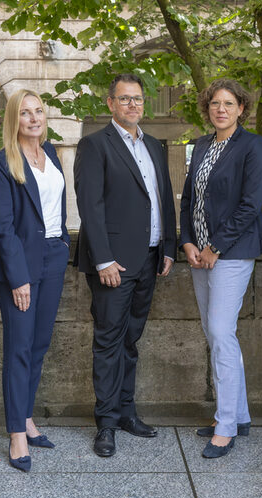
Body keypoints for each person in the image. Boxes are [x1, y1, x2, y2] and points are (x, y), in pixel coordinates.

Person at [74, 73, 176, 457]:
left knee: (131, 342)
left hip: (150, 259)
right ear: (110, 103)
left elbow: (162, 198)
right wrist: (103, 258)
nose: (132, 105)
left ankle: (127, 412)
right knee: (108, 342)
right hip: (113, 264)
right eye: (124, 99)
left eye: (137, 99)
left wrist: (167, 248)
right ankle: (106, 424)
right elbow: (90, 206)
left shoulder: (153, 144)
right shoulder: (94, 145)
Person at [180, 79, 262, 458]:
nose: (221, 109)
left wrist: (215, 246)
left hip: (230, 253)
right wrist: (186, 241)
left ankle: (227, 425)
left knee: (220, 331)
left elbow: (251, 205)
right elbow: (188, 198)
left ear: (241, 109)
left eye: (229, 104)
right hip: (198, 254)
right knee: (217, 335)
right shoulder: (201, 145)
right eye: (215, 103)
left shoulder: (252, 146)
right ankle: (240, 415)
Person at [0, 89, 70, 472]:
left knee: (39, 345)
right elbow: (3, 229)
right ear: (13, 120)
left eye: (38, 111)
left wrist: (64, 245)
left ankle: (28, 417)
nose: (34, 118)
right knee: (19, 348)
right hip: (19, 266)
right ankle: (16, 433)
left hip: (53, 257)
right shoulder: (2, 163)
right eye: (25, 113)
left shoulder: (50, 154)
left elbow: (56, 208)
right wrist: (18, 278)